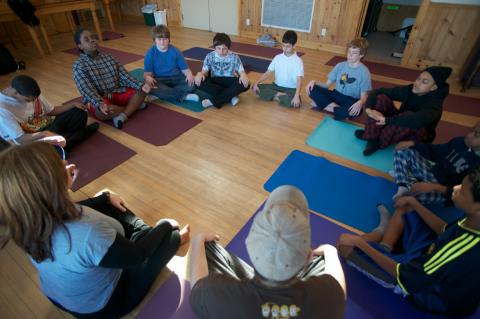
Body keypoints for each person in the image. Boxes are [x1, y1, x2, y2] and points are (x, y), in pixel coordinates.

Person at [0, 142, 190, 318]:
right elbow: (139, 256)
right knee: (170, 236)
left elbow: (81, 209)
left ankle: (138, 234)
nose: (65, 161)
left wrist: (105, 197)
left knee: (108, 204)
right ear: (50, 185)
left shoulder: (27, 221)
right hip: (104, 305)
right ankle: (160, 237)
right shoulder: (87, 233)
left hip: (63, 296)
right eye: (58, 164)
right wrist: (165, 224)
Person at [337, 169, 480, 317]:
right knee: (406, 208)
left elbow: (407, 278)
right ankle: (385, 244)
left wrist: (361, 243)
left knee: (345, 246)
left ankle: (381, 232)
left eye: (462, 191)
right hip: (429, 260)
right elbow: (447, 231)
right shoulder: (474, 220)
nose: (455, 188)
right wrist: (415, 204)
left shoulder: (462, 247)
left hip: (427, 292)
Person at [189, 185, 346, 319]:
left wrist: (198, 240)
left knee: (207, 247)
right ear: (308, 256)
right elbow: (338, 285)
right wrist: (330, 251)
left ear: (248, 244)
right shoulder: (330, 297)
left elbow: (197, 288)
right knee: (323, 259)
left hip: (240, 302)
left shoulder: (210, 295)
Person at [354, 66, 452, 156]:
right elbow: (378, 92)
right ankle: (372, 137)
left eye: (424, 82)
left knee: (408, 115)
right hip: (400, 121)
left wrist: (387, 120)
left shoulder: (434, 105)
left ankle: (379, 142)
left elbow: (416, 120)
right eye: (418, 79)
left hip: (416, 133)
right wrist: (368, 109)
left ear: (434, 87)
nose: (417, 83)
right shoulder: (410, 90)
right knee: (381, 98)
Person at [72, 28, 151, 129]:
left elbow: (125, 76)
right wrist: (99, 104)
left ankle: (123, 115)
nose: (92, 40)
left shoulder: (109, 57)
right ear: (80, 46)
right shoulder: (79, 66)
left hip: (117, 92)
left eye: (93, 37)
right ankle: (133, 107)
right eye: (87, 39)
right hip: (101, 99)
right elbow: (87, 90)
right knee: (104, 112)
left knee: (142, 89)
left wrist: (141, 86)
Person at [0, 75, 98, 152]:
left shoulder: (31, 93)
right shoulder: (2, 109)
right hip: (30, 139)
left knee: (79, 113)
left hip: (46, 125)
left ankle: (64, 140)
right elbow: (20, 139)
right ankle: (78, 135)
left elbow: (51, 111)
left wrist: (72, 105)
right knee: (49, 149)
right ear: (15, 93)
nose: (32, 102)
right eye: (27, 100)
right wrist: (44, 134)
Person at [392, 122, 480, 204]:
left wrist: (434, 187)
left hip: (443, 190)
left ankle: (405, 178)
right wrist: (413, 144)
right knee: (403, 149)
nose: (469, 135)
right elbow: (436, 151)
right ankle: (403, 186)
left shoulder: (477, 167)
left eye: (476, 135)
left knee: (411, 198)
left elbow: (463, 193)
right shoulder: (459, 142)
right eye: (471, 131)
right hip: (432, 173)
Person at [306, 38, 371, 120]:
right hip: (336, 95)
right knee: (312, 89)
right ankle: (337, 110)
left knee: (359, 110)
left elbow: (364, 97)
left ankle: (326, 106)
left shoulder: (364, 72)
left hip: (350, 100)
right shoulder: (340, 65)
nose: (350, 55)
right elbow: (326, 85)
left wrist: (360, 102)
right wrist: (314, 82)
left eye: (354, 53)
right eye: (349, 52)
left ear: (361, 55)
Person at [143, 25, 199, 103]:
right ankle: (185, 96)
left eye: (165, 39)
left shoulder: (176, 51)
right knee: (149, 86)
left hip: (176, 77)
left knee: (192, 85)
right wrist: (148, 77)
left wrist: (189, 75)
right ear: (154, 40)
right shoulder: (150, 53)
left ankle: (161, 95)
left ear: (169, 40)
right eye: (159, 39)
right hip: (159, 79)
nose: (162, 42)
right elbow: (147, 74)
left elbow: (185, 69)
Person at [194, 33, 250, 108]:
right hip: (215, 80)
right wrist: (200, 74)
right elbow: (204, 72)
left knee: (246, 84)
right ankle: (230, 96)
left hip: (229, 80)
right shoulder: (209, 56)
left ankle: (214, 101)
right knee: (198, 82)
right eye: (218, 48)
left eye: (224, 49)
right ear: (214, 47)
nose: (221, 51)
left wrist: (243, 75)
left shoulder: (234, 57)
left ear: (228, 48)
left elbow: (242, 72)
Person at [252, 30, 304, 108]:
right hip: (276, 86)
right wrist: (257, 82)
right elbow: (267, 73)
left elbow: (299, 80)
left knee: (296, 104)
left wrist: (296, 96)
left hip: (290, 89)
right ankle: (280, 96)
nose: (284, 49)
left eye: (288, 47)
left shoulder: (298, 61)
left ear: (294, 45)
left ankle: (273, 96)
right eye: (283, 46)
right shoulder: (277, 58)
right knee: (254, 88)